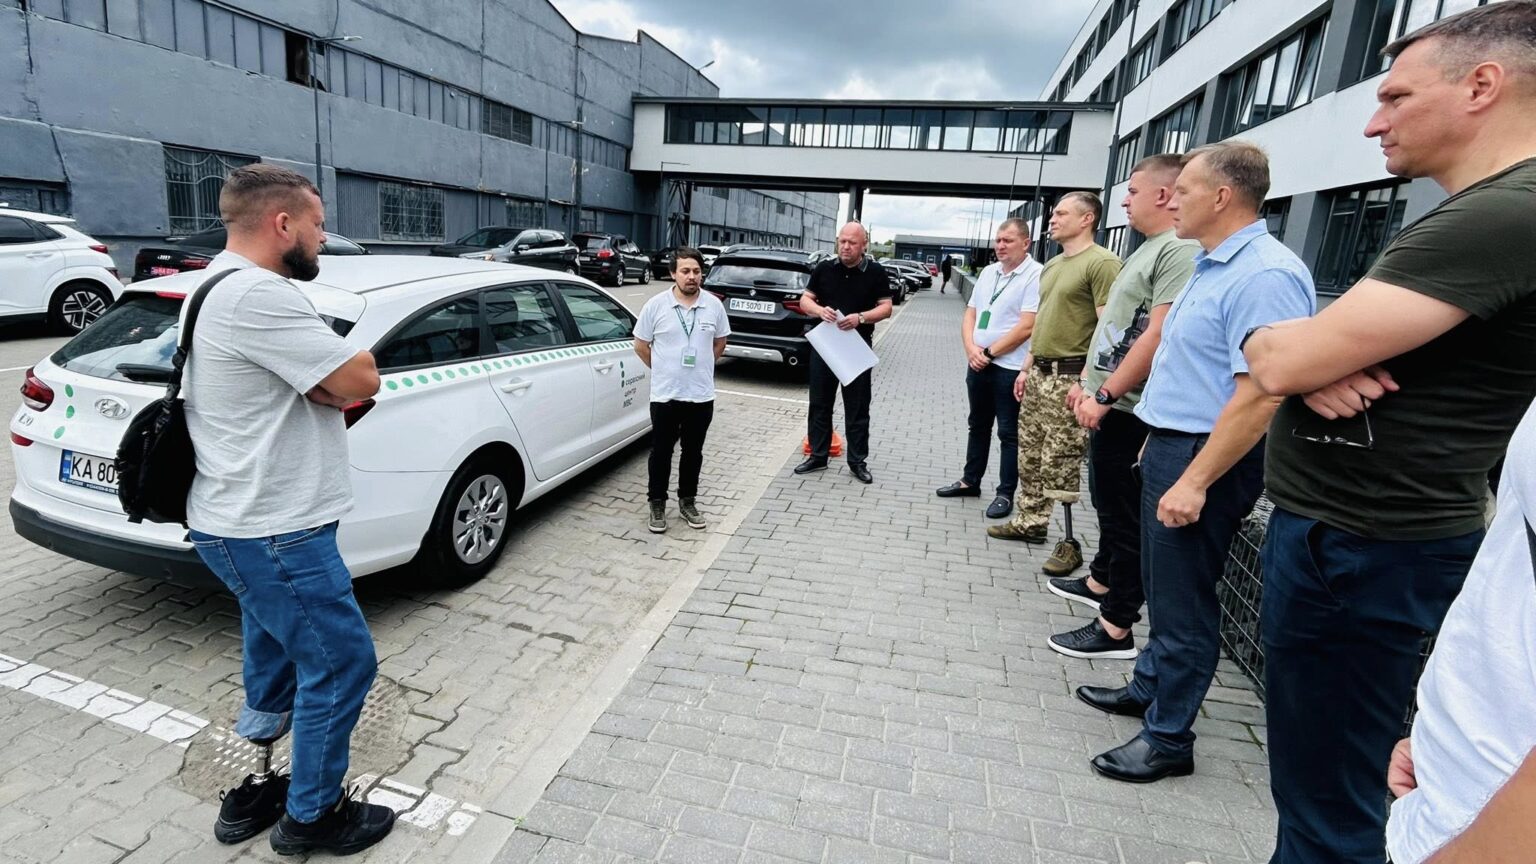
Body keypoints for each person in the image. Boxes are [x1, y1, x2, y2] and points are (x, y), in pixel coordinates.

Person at [1239, 4, 1536, 860]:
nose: (1373, 121)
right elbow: (1285, 357)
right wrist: (1288, 354)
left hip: (1366, 547)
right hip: (1366, 542)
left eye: (1396, 96)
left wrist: (1282, 353)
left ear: (1483, 85)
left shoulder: (1503, 214)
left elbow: (1280, 363)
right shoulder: (1481, 212)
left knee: (1331, 803)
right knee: (1325, 785)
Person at [1078, 142, 1315, 784]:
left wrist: (1195, 478)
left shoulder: (1264, 274)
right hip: (1173, 443)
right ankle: (1150, 686)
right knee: (1163, 585)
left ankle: (1168, 738)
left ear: (1221, 196)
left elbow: (1261, 392)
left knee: (1185, 602)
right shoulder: (1213, 265)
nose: (1169, 199)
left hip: (1205, 456)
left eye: (1182, 190)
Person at [183, 164, 395, 855]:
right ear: (283, 224)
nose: (324, 237)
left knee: (274, 659)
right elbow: (360, 379)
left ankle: (258, 783)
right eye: (319, 222)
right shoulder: (259, 297)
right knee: (341, 666)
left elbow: (323, 388)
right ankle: (311, 817)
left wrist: (325, 385)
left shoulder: (208, 285)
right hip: (277, 531)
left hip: (243, 522)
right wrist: (339, 375)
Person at [1048, 154, 1199, 661]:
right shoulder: (1148, 248)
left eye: (1132, 191)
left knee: (1124, 517)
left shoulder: (1178, 250)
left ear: (1162, 194)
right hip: (1109, 399)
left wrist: (1107, 393)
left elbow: (1157, 334)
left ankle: (1116, 626)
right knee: (1108, 508)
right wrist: (1091, 383)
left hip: (1130, 409)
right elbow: (1118, 326)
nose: (1124, 200)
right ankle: (1099, 582)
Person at [987, 192, 1119, 581]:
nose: (1053, 218)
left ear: (1087, 218)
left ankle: (1070, 542)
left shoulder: (1102, 264)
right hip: (1041, 373)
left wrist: (1087, 381)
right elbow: (1044, 320)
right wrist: (1026, 368)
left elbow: (1107, 329)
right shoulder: (1054, 266)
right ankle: (1030, 521)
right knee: (1030, 454)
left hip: (1070, 376)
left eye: (1062, 213)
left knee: (1059, 459)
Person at [935, 218, 1042, 519]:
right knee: (977, 425)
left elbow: (1027, 326)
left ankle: (1005, 493)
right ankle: (971, 481)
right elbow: (971, 313)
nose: (1000, 246)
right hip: (978, 363)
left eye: (1008, 240)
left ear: (1026, 243)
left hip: (1008, 367)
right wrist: (972, 350)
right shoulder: (988, 273)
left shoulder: (1035, 275)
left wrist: (989, 352)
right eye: (998, 240)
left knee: (1008, 433)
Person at [633, 247, 730, 533]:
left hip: (700, 395)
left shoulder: (713, 305)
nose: (692, 277)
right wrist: (664, 369)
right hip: (665, 395)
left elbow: (720, 344)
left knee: (693, 452)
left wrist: (699, 369)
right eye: (685, 271)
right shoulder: (656, 306)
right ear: (673, 273)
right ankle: (657, 503)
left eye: (697, 271)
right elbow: (640, 345)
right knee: (661, 452)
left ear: (703, 274)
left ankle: (687, 501)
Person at [794, 222, 894, 484]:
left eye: (852, 242)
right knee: (819, 403)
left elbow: (886, 308)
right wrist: (819, 310)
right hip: (825, 346)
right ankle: (818, 455)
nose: (846, 247)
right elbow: (805, 300)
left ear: (864, 245)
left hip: (856, 348)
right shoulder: (825, 268)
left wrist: (860, 317)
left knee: (858, 407)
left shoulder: (875, 272)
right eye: (842, 241)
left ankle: (857, 462)